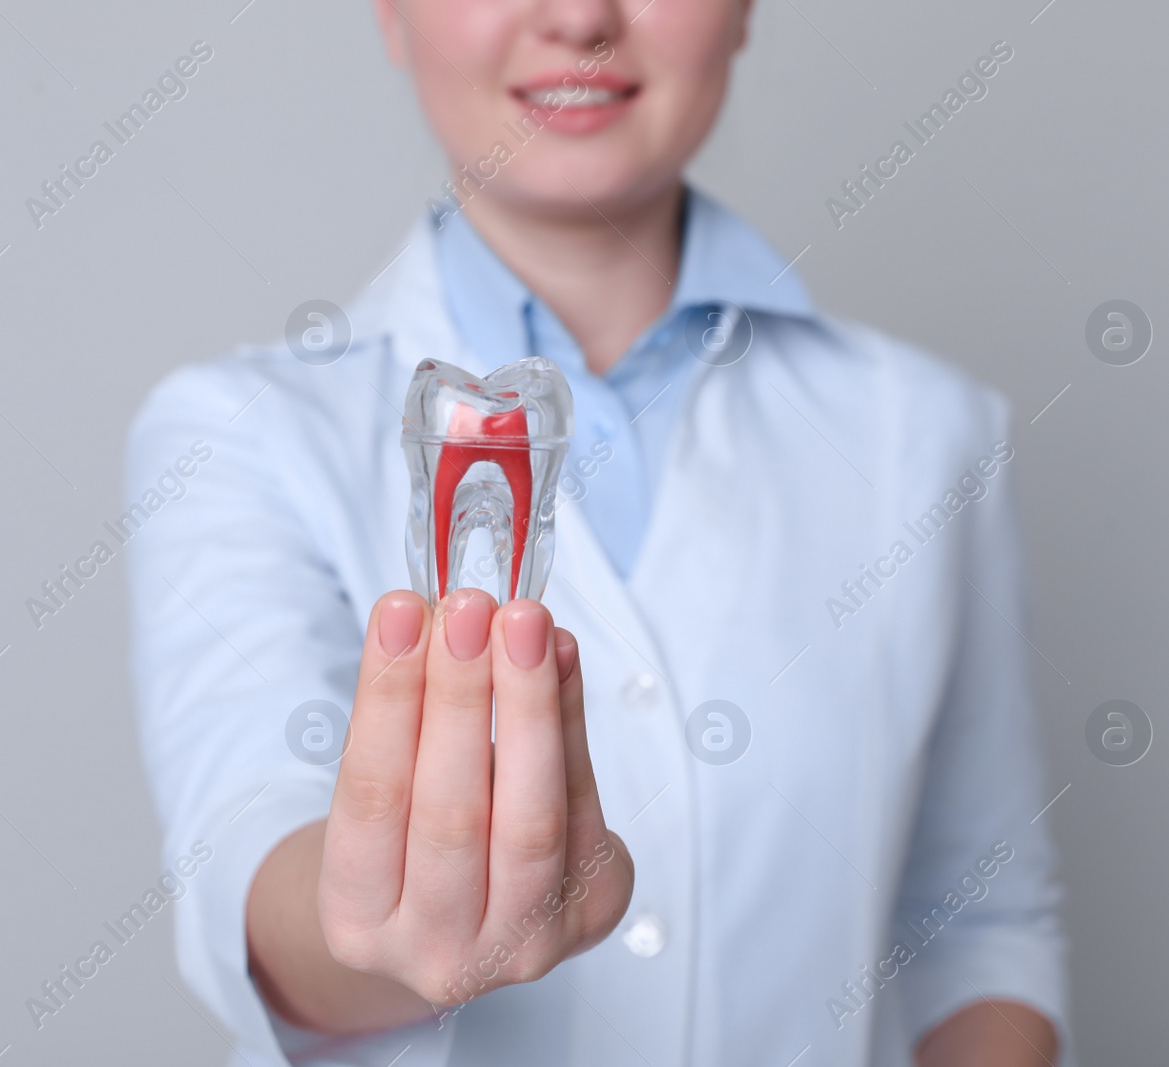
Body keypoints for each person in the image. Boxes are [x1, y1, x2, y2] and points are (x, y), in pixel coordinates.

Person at [125, 1, 1071, 1064]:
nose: (579, 16)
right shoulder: (235, 437)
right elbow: (253, 879)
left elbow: (977, 924)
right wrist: (382, 924)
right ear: (392, 14)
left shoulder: (926, 434)